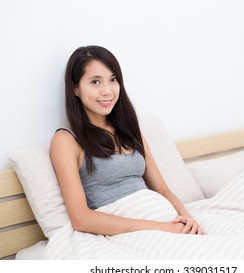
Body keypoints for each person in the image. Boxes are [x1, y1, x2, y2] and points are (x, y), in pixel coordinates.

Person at [50, 45, 203, 236]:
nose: (107, 91)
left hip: (168, 223)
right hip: (138, 232)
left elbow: (162, 190)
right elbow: (81, 218)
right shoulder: (66, 140)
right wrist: (162, 228)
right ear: (75, 88)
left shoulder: (130, 129)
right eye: (95, 82)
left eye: (113, 80)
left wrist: (187, 218)